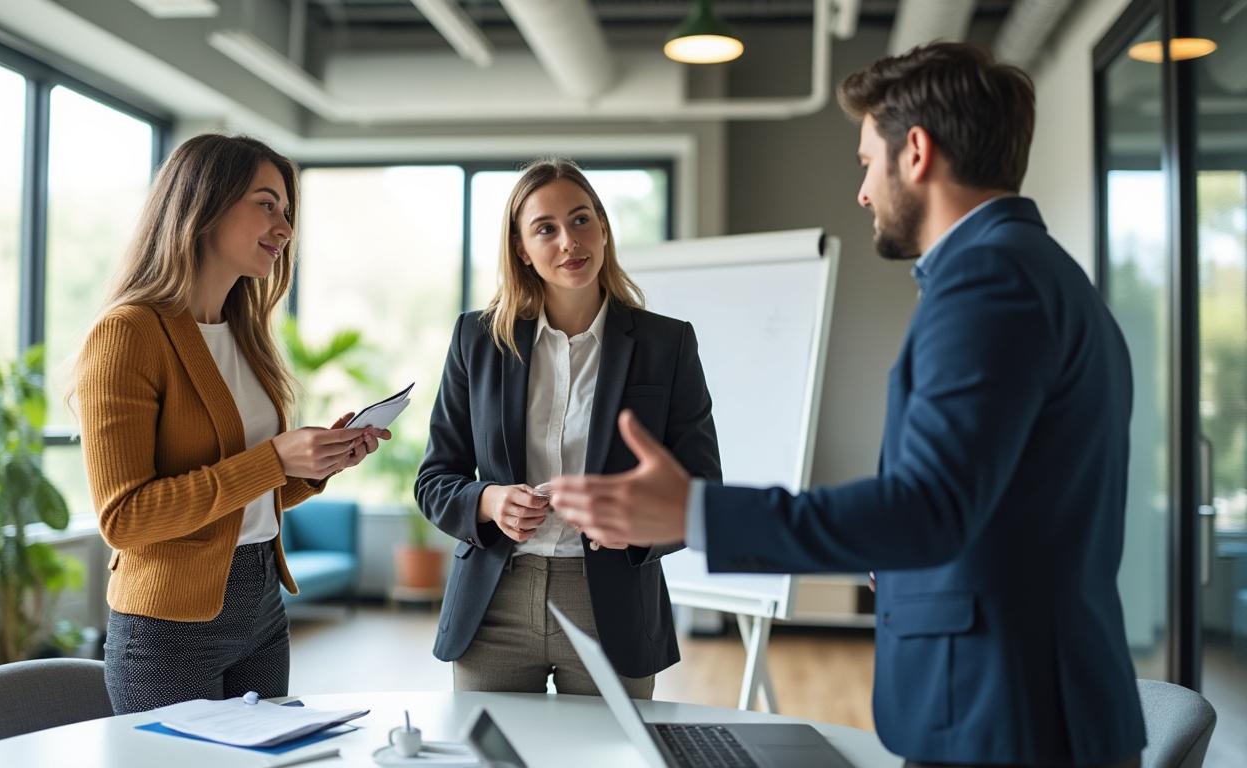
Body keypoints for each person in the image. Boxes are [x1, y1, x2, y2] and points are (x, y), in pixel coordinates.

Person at [549, 43, 1146, 767]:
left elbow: (928, 510)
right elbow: (995, 505)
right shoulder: (1035, 272)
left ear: (916, 152)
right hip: (1023, 705)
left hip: (1007, 714)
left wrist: (693, 512)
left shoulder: (990, 284)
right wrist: (888, 553)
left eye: (868, 161)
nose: (863, 190)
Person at [75, 134, 391, 714]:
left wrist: (317, 464)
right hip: (167, 628)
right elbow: (125, 518)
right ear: (204, 204)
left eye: (287, 212)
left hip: (261, 604)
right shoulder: (129, 333)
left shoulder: (245, 333)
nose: (285, 227)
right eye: (266, 204)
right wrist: (274, 459)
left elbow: (248, 499)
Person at [415, 158, 721, 698]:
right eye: (545, 229)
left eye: (581, 220)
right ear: (520, 248)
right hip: (494, 606)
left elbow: (701, 484)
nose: (568, 242)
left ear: (603, 227)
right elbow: (436, 478)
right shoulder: (477, 340)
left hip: (614, 606)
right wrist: (489, 502)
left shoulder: (666, 345)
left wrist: (635, 525)